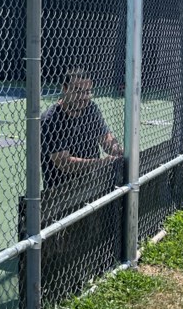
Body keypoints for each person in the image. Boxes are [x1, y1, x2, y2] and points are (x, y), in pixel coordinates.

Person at [40, 67, 124, 225]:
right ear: (65, 89)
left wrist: (117, 150)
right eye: (78, 91)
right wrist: (101, 163)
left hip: (92, 188)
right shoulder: (51, 119)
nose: (84, 97)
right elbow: (63, 163)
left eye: (87, 92)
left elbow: (105, 137)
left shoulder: (91, 109)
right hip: (62, 196)